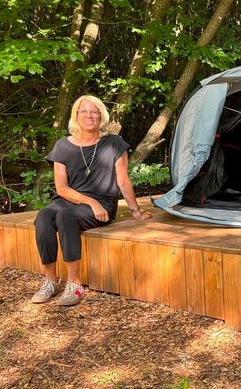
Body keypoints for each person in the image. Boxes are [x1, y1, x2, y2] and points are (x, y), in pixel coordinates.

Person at [31, 95, 152, 306]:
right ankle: (50, 280)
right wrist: (89, 202)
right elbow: (62, 188)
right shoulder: (62, 146)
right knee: (43, 216)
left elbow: (123, 181)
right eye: (83, 111)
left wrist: (136, 212)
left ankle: (74, 283)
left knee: (66, 216)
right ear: (75, 116)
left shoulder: (114, 144)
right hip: (70, 199)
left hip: (102, 204)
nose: (89, 115)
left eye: (94, 111)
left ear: (101, 116)